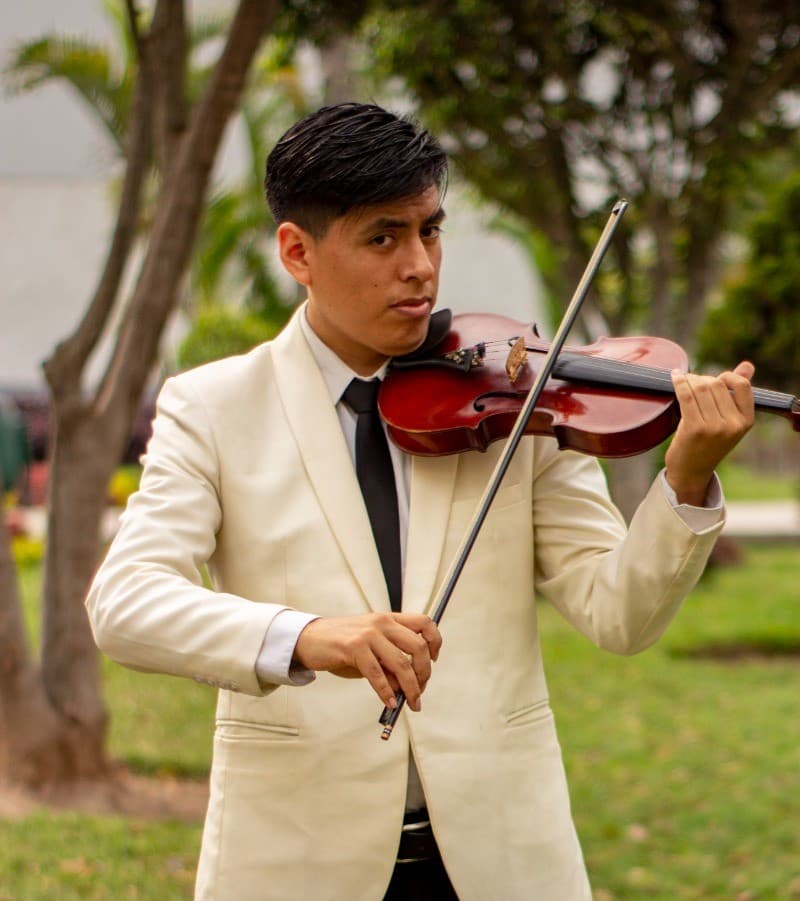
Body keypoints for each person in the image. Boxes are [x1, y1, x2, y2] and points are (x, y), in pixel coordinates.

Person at [86, 102, 755, 901]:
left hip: (503, 864)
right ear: (297, 252)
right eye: (383, 237)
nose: (420, 266)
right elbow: (125, 602)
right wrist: (307, 636)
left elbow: (620, 614)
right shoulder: (212, 407)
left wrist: (685, 479)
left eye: (430, 231)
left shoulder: (519, 395)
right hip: (297, 867)